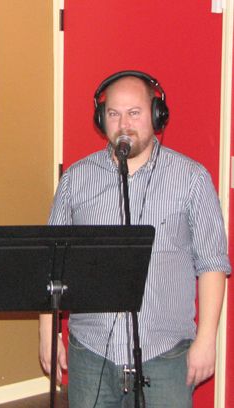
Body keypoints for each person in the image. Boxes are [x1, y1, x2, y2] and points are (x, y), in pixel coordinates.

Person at [39, 71, 230, 407]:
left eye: (134, 113)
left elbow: (212, 263)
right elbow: (52, 263)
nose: (123, 124)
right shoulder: (76, 180)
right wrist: (47, 334)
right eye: (114, 113)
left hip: (165, 355)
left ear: (157, 115)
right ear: (101, 119)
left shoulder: (191, 179)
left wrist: (206, 340)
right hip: (91, 352)